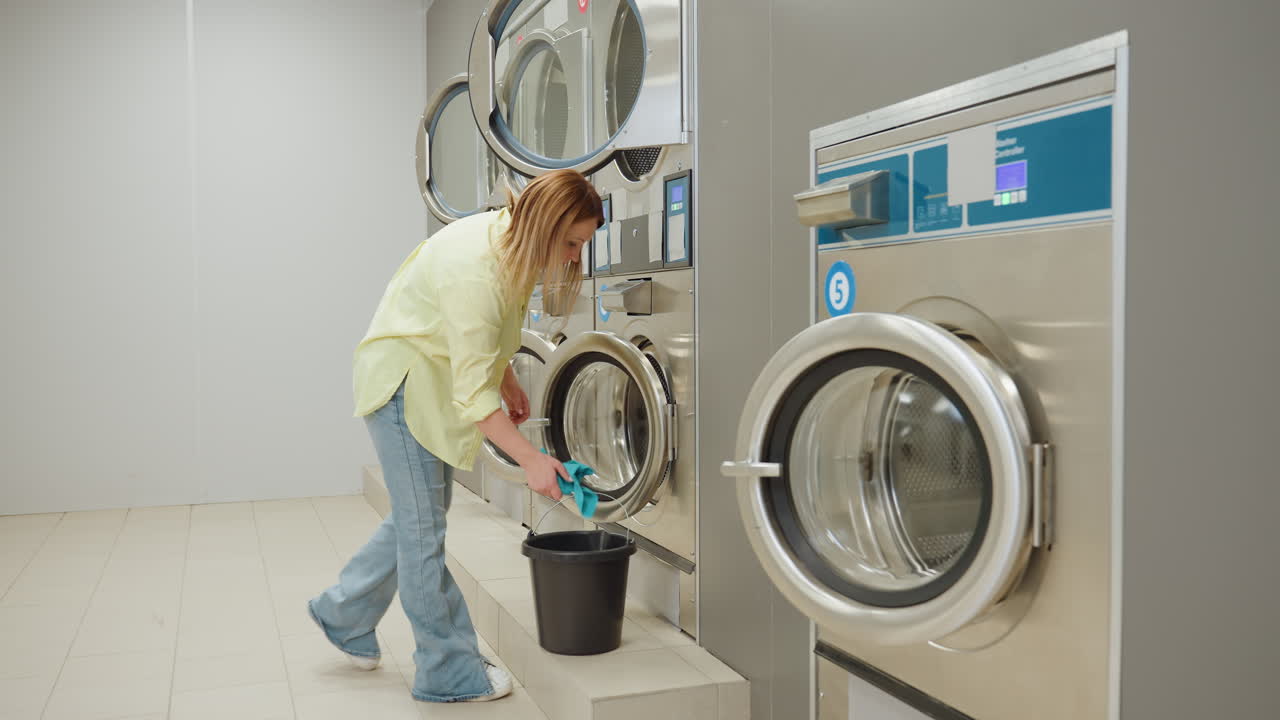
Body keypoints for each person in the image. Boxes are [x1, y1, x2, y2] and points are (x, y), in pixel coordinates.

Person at [307, 169, 604, 703]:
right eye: (572, 242)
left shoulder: (506, 240)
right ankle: (446, 671)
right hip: (405, 385)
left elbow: (487, 330)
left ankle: (343, 612)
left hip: (428, 377)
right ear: (546, 224)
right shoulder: (476, 268)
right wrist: (531, 460)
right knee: (424, 531)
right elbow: (472, 393)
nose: (572, 258)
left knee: (417, 516)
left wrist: (506, 375)